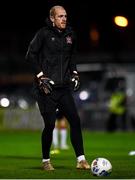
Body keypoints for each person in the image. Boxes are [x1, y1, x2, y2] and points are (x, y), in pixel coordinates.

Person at [25, 5, 90, 171]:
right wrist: (41, 76)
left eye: (65, 16)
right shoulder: (43, 34)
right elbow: (30, 55)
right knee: (50, 125)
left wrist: (74, 73)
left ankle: (81, 160)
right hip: (46, 89)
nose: (64, 19)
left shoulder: (70, 34)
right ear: (52, 18)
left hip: (63, 88)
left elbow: (72, 56)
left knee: (75, 121)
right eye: (60, 16)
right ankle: (46, 160)